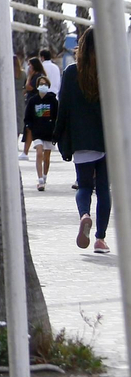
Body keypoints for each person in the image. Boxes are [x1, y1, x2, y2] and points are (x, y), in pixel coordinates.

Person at [56, 27, 111, 254]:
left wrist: (61, 140)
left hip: (80, 140)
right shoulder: (110, 72)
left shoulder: (70, 72)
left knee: (84, 185)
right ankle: (99, 239)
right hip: (106, 140)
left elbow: (63, 109)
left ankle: (84, 215)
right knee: (104, 189)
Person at [24, 75, 58, 191]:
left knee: (47, 156)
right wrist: (30, 126)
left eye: (45, 84)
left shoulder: (52, 100)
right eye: (41, 84)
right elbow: (27, 116)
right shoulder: (33, 101)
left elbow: (57, 115)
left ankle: (45, 176)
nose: (43, 86)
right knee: (39, 153)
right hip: (37, 132)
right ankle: (40, 180)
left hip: (49, 132)